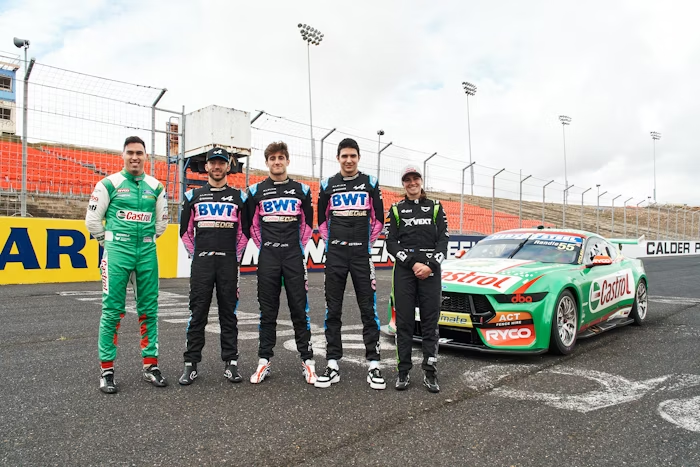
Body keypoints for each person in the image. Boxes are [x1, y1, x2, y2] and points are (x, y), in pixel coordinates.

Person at [85, 135, 169, 394]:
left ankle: (150, 365)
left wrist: (144, 241)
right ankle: (107, 370)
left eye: (139, 153)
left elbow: (161, 224)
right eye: (130, 152)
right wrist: (108, 244)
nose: (135, 157)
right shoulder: (108, 183)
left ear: (146, 156)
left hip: (146, 252)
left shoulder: (156, 186)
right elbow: (92, 221)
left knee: (149, 309)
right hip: (117, 252)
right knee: (112, 310)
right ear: (123, 155)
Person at [315, 138, 386, 390]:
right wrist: (334, 242)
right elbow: (322, 222)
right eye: (344, 156)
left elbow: (378, 220)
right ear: (338, 158)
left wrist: (364, 244)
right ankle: (332, 363)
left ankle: (374, 365)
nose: (348, 160)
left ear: (358, 157)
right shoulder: (327, 184)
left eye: (353, 156)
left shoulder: (370, 183)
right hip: (335, 256)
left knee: (369, 310)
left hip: (361, 256)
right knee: (332, 310)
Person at [178, 147, 249, 385]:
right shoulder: (193, 196)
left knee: (228, 313)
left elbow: (245, 233)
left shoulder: (240, 197)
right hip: (202, 263)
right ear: (206, 167)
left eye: (221, 163)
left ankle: (231, 363)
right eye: (213, 163)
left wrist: (234, 256)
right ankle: (191, 364)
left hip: (228, 263)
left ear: (229, 166)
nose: (217, 167)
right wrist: (197, 255)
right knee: (197, 313)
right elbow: (185, 232)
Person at [246, 141, 316, 384]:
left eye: (281, 157)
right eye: (272, 158)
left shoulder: (302, 190)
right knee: (268, 311)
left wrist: (294, 247)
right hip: (268, 257)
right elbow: (252, 226)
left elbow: (307, 225)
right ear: (266, 162)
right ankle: (264, 360)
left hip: (294, 256)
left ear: (288, 160)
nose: (277, 162)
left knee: (299, 309)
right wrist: (267, 245)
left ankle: (308, 361)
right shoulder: (255, 191)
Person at [386, 166, 448, 393]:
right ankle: (403, 371)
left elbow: (443, 241)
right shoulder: (395, 209)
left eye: (415, 179)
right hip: (405, 271)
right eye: (407, 180)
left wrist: (430, 266)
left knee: (430, 324)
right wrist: (413, 263)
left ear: (421, 181)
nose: (411, 183)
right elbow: (391, 242)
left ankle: (430, 372)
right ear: (403, 184)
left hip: (431, 271)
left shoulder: (436, 207)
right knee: (404, 323)